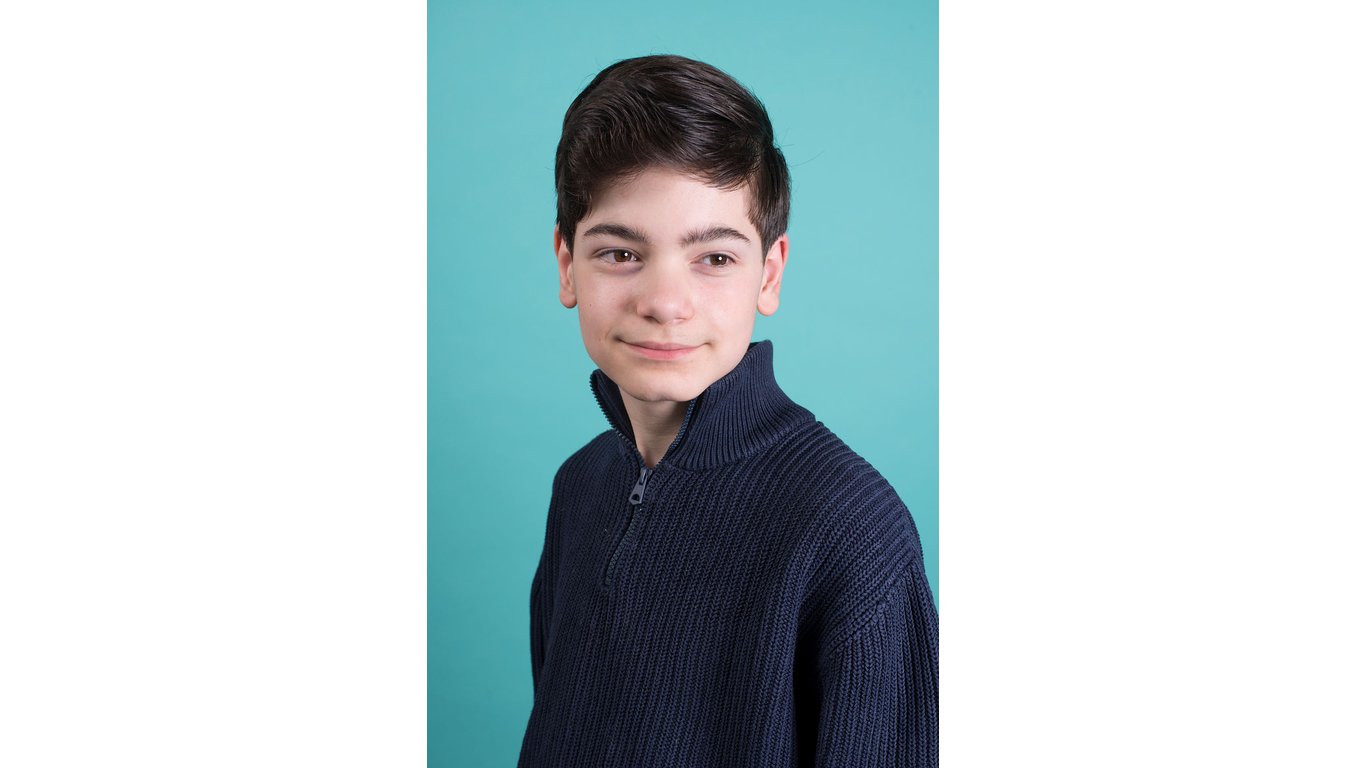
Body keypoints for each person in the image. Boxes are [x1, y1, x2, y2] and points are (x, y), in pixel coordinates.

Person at [518, 54, 938, 767]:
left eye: (714, 259)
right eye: (620, 253)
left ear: (768, 274)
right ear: (567, 265)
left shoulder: (852, 531)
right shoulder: (580, 485)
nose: (665, 302)